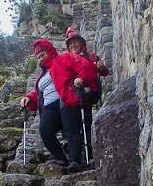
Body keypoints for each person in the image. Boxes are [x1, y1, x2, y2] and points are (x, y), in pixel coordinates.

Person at [20, 38, 97, 173]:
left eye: (42, 55)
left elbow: (84, 65)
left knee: (70, 130)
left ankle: (75, 161)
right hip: (49, 106)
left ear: (50, 51)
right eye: (38, 57)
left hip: (68, 100)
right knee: (45, 131)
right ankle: (60, 158)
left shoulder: (64, 58)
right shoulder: (42, 75)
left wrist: (81, 78)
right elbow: (38, 93)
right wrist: (28, 99)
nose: (41, 60)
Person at [63, 26, 108, 161]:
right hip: (74, 96)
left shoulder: (92, 57)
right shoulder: (67, 60)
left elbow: (104, 72)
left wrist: (101, 67)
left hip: (89, 95)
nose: (72, 45)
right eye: (70, 43)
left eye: (75, 42)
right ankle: (81, 148)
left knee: (87, 120)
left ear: (82, 43)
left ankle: (89, 147)